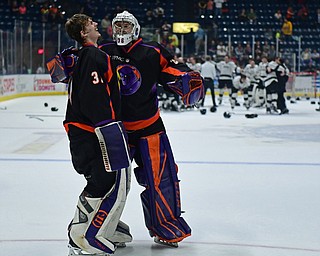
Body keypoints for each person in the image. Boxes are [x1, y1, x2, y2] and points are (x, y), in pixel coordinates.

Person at [100, 11, 203, 247]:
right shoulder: (104, 49)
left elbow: (172, 70)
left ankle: (165, 227)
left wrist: (187, 78)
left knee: (161, 178)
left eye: (126, 26)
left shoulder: (153, 51)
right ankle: (106, 229)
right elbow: (86, 71)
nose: (122, 30)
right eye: (118, 26)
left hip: (149, 127)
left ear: (135, 29)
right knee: (110, 183)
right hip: (116, 129)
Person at [56, 14, 132, 255]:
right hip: (92, 131)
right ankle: (81, 235)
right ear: (83, 32)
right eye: (90, 23)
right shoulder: (93, 56)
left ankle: (102, 227)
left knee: (112, 180)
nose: (96, 24)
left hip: (89, 130)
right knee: (103, 181)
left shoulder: (88, 56)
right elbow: (94, 97)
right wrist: (107, 127)